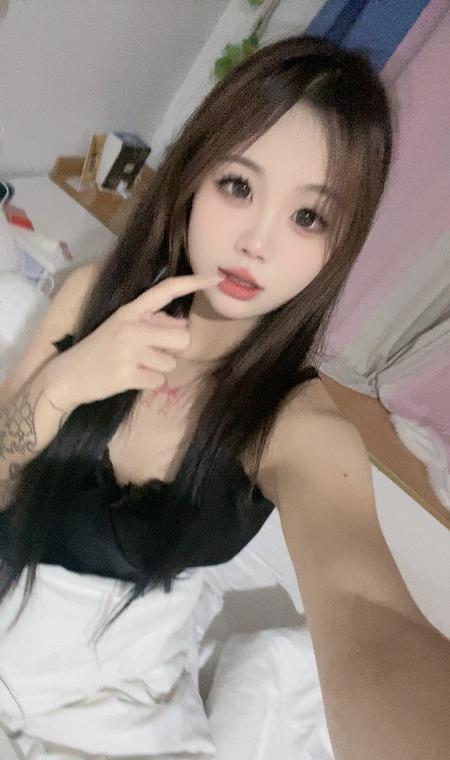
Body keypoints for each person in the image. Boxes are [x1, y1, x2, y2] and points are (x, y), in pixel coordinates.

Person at [0, 34, 448, 759]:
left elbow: (368, 612)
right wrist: (66, 382)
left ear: (339, 245)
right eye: (238, 187)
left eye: (309, 217)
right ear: (193, 177)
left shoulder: (298, 427)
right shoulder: (92, 299)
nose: (257, 243)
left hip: (116, 711)